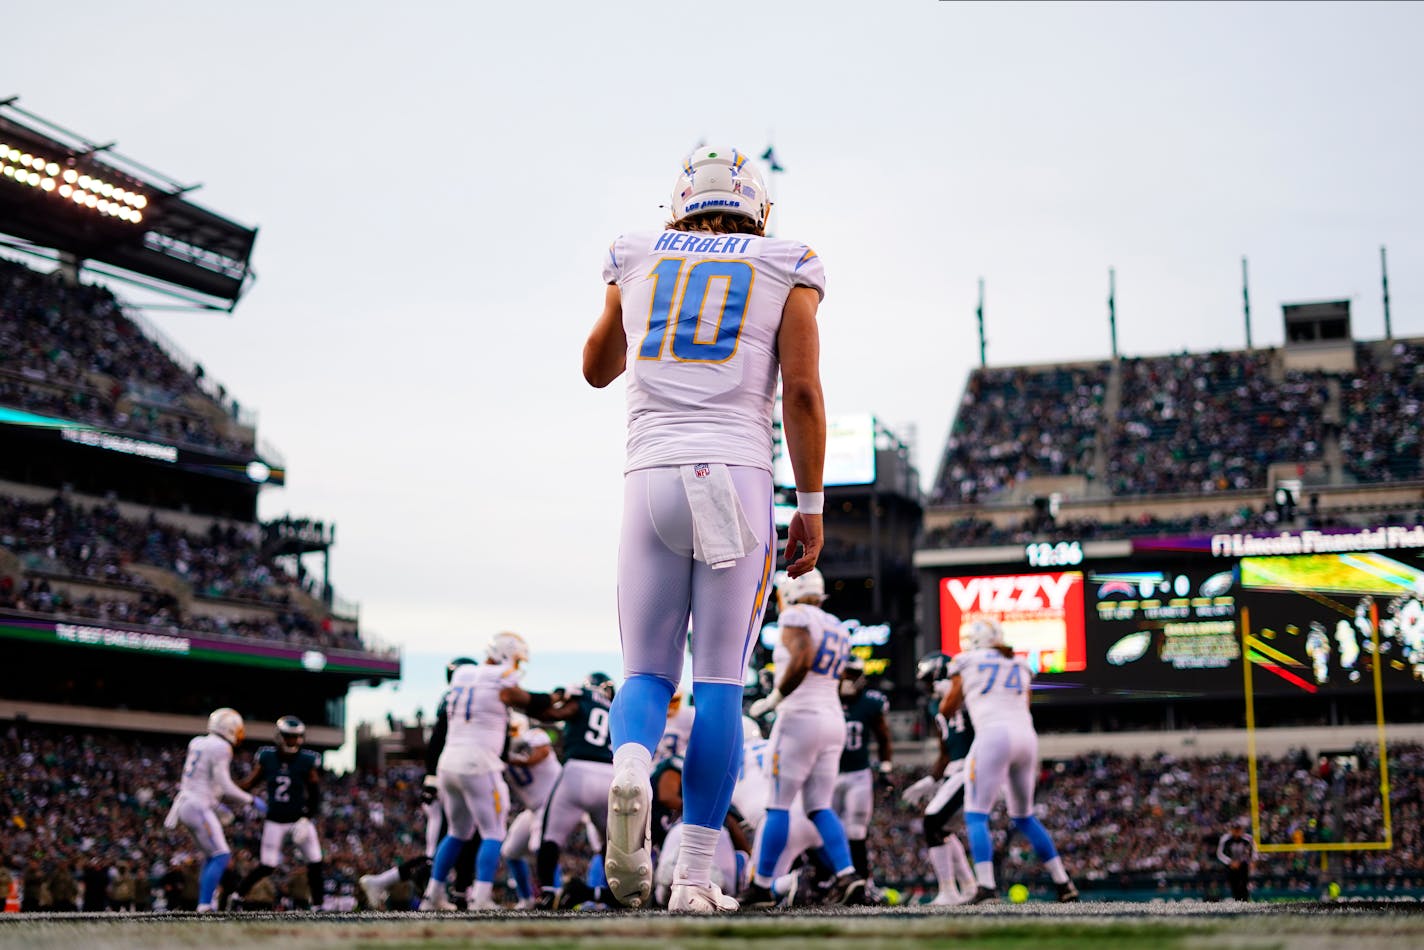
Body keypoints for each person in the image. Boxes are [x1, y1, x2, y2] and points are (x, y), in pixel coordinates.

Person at [584, 144, 827, 914]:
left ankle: (630, 762)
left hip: (649, 475)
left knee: (646, 673)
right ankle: (691, 876)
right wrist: (812, 506)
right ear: (759, 205)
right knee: (719, 675)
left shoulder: (636, 251)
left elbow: (596, 367)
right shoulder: (787, 262)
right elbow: (803, 393)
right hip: (735, 477)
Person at [744, 569, 867, 906]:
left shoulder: (796, 616)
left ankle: (762, 884)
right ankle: (847, 874)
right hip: (833, 718)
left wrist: (775, 698)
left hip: (800, 717)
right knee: (819, 806)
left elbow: (802, 658)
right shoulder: (837, 625)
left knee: (778, 804)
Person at [939, 621, 1078, 904]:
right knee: (1024, 816)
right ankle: (1063, 882)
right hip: (1026, 737)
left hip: (993, 736)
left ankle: (986, 886)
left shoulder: (966, 660)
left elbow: (947, 706)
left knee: (976, 813)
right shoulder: (1019, 662)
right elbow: (1023, 703)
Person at [421, 634, 528, 911]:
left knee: (457, 831)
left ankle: (432, 895)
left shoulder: (463, 675)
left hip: (449, 762)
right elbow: (522, 699)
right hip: (479, 762)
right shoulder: (499, 676)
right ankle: (481, 897)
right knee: (493, 831)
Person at [505, 673, 616, 909]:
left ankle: (547, 893)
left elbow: (554, 714)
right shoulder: (618, 708)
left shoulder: (583, 697)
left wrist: (532, 706)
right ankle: (611, 894)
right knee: (612, 843)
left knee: (550, 838)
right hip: (610, 774)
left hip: (578, 770)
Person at [163, 707, 266, 912]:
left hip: (187, 803)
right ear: (228, 728)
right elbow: (225, 785)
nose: (238, 735)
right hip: (197, 805)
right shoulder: (221, 747)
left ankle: (205, 902)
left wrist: (218, 805)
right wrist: (251, 800)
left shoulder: (198, 742)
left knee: (211, 856)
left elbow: (206, 784)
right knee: (221, 855)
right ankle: (204, 905)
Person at [905, 651, 977, 906]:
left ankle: (949, 890)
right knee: (942, 829)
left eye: (928, 679)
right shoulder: (936, 706)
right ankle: (968, 887)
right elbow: (945, 749)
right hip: (954, 770)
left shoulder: (968, 694)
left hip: (972, 767)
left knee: (933, 824)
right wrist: (931, 780)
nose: (926, 686)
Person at [232, 716, 325, 911]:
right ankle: (237, 896)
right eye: (289, 737)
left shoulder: (307, 760)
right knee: (268, 864)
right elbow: (249, 784)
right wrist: (229, 791)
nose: (292, 741)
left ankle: (318, 905)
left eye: (296, 737)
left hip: (298, 818)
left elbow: (315, 794)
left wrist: (307, 818)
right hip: (275, 820)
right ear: (280, 736)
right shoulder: (267, 757)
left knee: (315, 861)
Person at [834, 654, 893, 883]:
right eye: (844, 673)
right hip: (830, 774)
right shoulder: (826, 698)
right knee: (826, 831)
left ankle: (862, 881)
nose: (848, 679)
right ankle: (832, 879)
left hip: (858, 774)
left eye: (853, 674)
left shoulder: (871, 702)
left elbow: (884, 737)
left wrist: (886, 768)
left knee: (856, 830)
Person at [499, 712, 563, 908]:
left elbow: (542, 751)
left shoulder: (534, 736)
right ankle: (526, 899)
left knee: (541, 847)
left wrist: (511, 760)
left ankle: (556, 896)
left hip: (554, 802)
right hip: (534, 809)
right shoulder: (496, 750)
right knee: (511, 851)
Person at [1218, 820, 1256, 901]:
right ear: (1231, 830)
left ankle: (1245, 902)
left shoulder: (1248, 838)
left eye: (1238, 829)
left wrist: (1252, 861)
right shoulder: (1225, 839)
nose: (1237, 831)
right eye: (1235, 829)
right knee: (1234, 885)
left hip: (1243, 864)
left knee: (1244, 884)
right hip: (1231, 866)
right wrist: (1230, 862)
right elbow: (1220, 853)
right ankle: (1237, 902)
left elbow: (1254, 851)